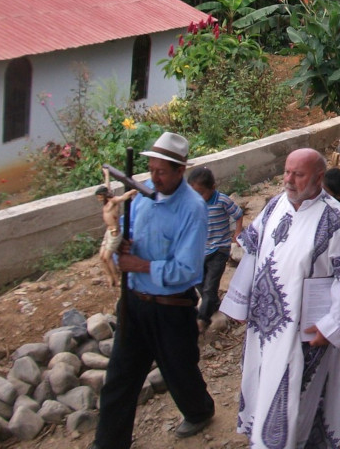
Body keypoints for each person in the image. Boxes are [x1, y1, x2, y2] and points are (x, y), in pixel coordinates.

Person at [221, 149, 340, 449]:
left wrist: (334, 326)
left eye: (297, 174)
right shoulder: (275, 205)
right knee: (263, 384)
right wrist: (239, 301)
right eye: (287, 172)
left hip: (306, 336)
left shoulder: (336, 220)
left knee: (301, 402)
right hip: (265, 328)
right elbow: (252, 252)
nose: (288, 179)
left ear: (318, 178)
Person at [93, 132, 215, 447]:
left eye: (162, 172)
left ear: (180, 171)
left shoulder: (192, 209)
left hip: (170, 307)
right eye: (151, 169)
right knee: (120, 378)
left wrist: (141, 265)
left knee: (179, 370)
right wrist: (123, 242)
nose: (155, 177)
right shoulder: (143, 198)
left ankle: (200, 411)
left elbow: (188, 269)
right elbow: (131, 239)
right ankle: (108, 442)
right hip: (135, 303)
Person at [187, 166, 243, 333]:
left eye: (201, 193)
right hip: (201, 249)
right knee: (198, 281)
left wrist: (238, 232)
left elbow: (238, 214)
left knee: (210, 286)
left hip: (219, 249)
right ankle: (214, 304)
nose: (198, 197)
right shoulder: (194, 204)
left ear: (213, 187)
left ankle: (202, 320)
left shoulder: (222, 200)